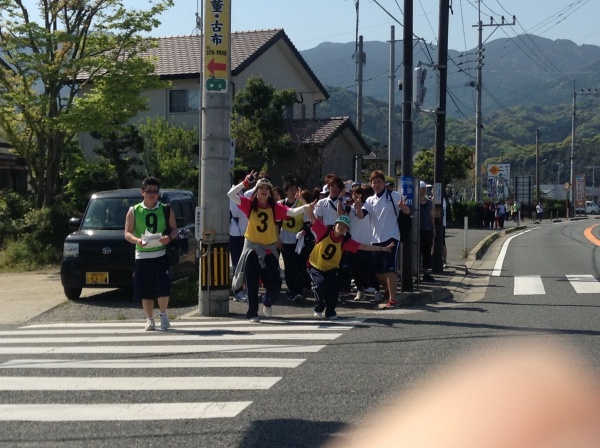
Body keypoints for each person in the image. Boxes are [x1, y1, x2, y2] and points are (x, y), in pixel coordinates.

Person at [227, 170, 310, 322]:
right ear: (256, 191)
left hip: (269, 249)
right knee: (251, 282)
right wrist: (245, 183)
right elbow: (231, 194)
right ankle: (252, 312)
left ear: (270, 192)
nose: (264, 191)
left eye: (267, 188)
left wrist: (305, 206)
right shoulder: (249, 205)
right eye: (261, 188)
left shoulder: (274, 207)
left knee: (276, 283)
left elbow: (291, 212)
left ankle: (267, 300)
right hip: (252, 248)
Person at [305, 205, 394, 320]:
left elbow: (363, 247)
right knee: (320, 284)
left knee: (333, 290)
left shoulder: (345, 241)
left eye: (345, 227)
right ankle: (319, 306)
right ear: (335, 224)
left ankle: (330, 311)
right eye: (340, 224)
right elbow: (312, 217)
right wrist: (307, 207)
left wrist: (383, 248)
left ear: (347, 230)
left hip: (331, 268)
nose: (341, 228)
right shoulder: (324, 231)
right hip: (315, 265)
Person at [124, 176, 177, 331]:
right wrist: (137, 240)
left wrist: (169, 238)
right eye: (149, 191)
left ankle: (163, 315)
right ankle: (149, 319)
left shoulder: (165, 209)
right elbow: (127, 233)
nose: (152, 194)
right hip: (142, 255)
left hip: (160, 254)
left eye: (155, 191)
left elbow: (175, 229)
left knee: (163, 288)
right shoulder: (134, 211)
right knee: (145, 290)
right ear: (142, 192)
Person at [355, 170, 410, 309]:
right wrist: (357, 207)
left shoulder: (393, 195)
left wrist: (403, 207)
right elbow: (361, 215)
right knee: (378, 271)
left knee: (390, 269)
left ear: (384, 183)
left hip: (391, 236)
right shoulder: (370, 200)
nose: (377, 184)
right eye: (374, 182)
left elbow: (407, 211)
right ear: (371, 184)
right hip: (375, 239)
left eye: (379, 182)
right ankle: (387, 291)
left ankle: (393, 299)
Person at [279, 178, 309, 302]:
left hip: (298, 239)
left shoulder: (301, 204)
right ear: (285, 191)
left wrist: (304, 231)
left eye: (295, 189)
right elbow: (277, 223)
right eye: (290, 189)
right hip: (284, 238)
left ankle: (298, 290)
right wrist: (277, 238)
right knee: (288, 266)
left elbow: (307, 222)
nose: (293, 191)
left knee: (299, 265)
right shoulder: (280, 204)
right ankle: (292, 289)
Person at [229, 170, 249, 302]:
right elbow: (236, 212)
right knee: (237, 263)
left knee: (245, 263)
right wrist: (247, 209)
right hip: (235, 232)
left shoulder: (241, 193)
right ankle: (237, 290)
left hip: (243, 232)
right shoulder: (233, 192)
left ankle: (243, 288)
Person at [418, 181, 435, 282]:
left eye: (425, 188)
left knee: (427, 252)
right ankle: (415, 274)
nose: (424, 190)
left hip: (427, 230)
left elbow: (432, 216)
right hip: (417, 230)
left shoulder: (429, 202)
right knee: (417, 252)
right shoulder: (415, 202)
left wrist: (433, 228)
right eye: (422, 188)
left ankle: (426, 273)